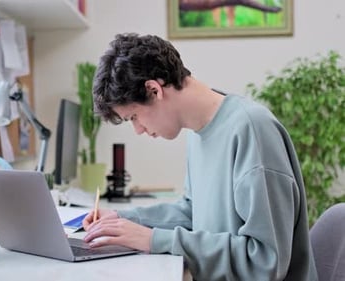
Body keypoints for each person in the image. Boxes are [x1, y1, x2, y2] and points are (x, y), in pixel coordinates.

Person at [82, 33, 318, 280]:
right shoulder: (199, 132)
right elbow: (192, 213)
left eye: (134, 117)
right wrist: (123, 221)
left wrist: (153, 239)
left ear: (154, 90)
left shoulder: (252, 131)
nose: (138, 130)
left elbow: (264, 261)